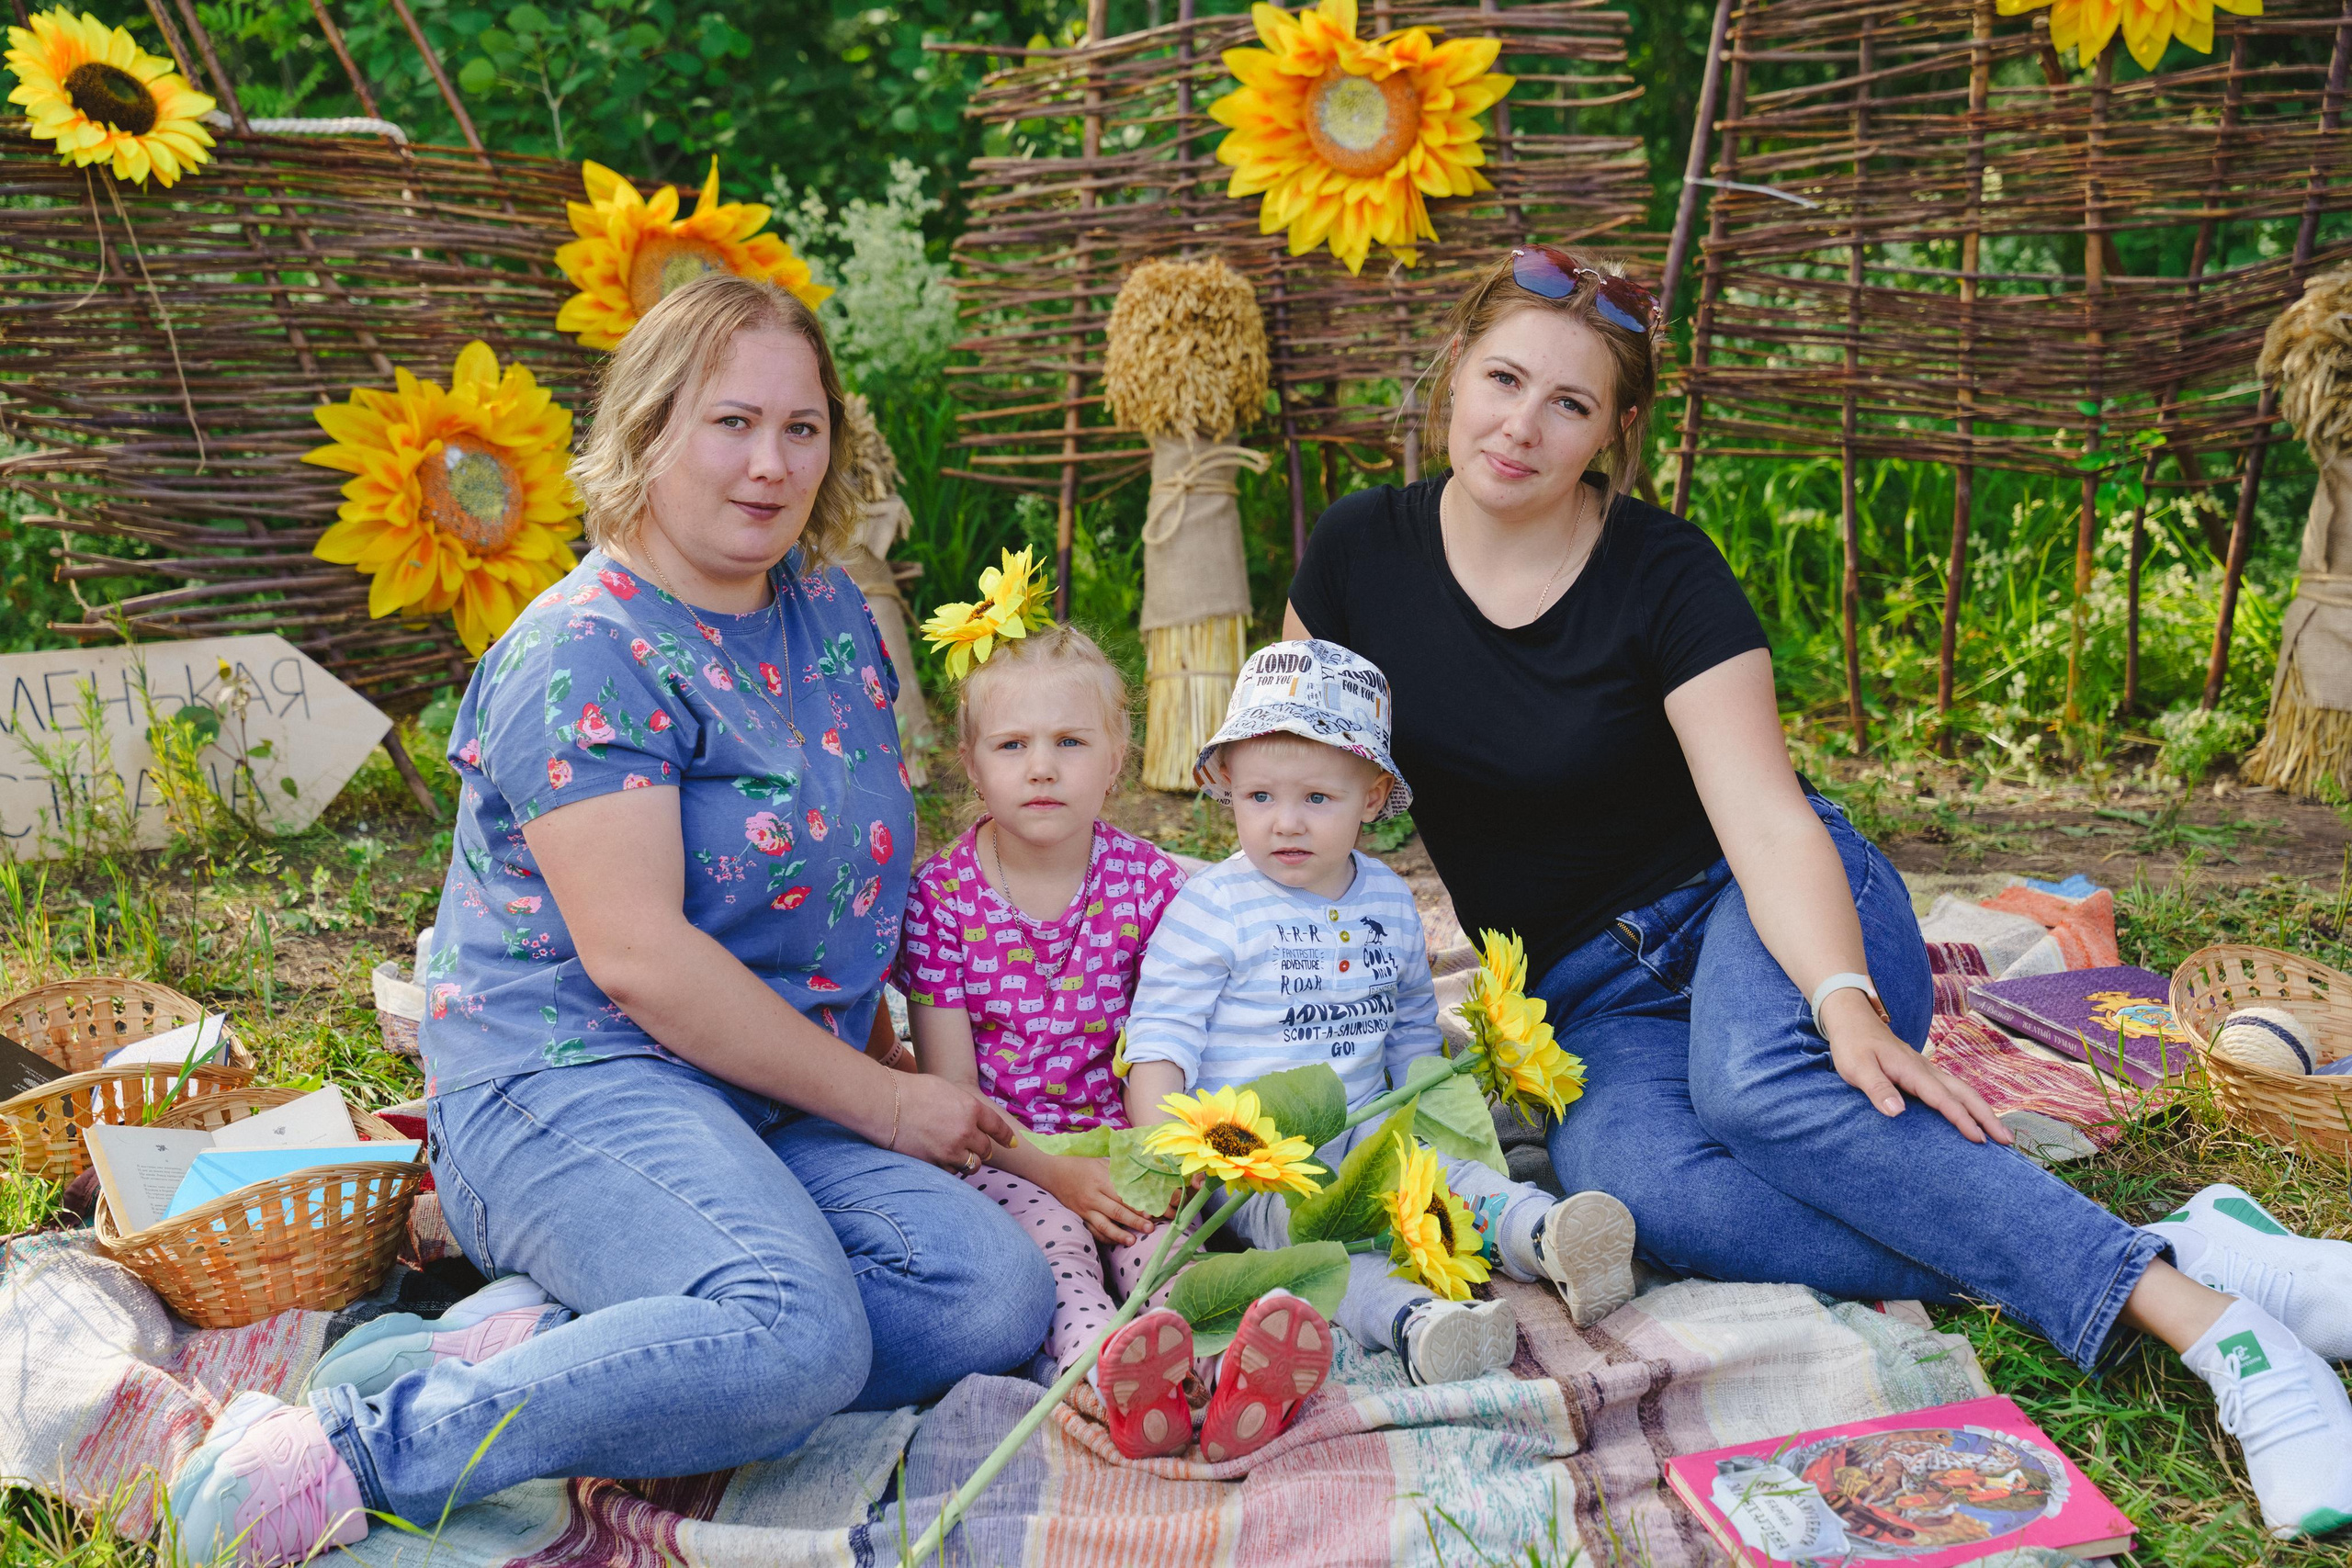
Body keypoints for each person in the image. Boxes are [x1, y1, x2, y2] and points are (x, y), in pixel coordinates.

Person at [1280, 243, 2352, 1540]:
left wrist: (1842, 998)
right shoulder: (1359, 554)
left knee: (1761, 1088)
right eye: (1503, 379)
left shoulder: (1663, 571)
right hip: (1585, 1002)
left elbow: (1767, 819)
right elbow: (1295, 776)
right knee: (1643, 1193)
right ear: (1454, 370)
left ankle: (2222, 1333)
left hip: (1762, 905)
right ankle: (2162, 1242)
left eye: (1568, 402)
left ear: (1615, 429)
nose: (1521, 424)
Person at [169, 273, 1052, 1567]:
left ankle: (567, 1338)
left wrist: (877, 1059)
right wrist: (887, 1104)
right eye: (731, 422)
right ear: (646, 428)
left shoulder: (830, 618)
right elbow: (640, 959)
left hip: (768, 1087)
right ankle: (367, 1444)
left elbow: (844, 880)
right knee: (797, 1331)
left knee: (988, 1295)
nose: (770, 463)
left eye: (801, 428)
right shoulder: (584, 649)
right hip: (565, 1082)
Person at [1106, 640, 1639, 1463]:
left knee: (1443, 1178)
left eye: (1317, 797)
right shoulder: (1211, 907)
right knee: (1319, 1248)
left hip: (1369, 1121)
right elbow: (1161, 1038)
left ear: (1373, 797)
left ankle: (1546, 1234)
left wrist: (1429, 1112)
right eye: (1259, 796)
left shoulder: (1387, 901)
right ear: (1229, 787)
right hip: (1254, 1157)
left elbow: (1411, 1027)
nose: (1285, 821)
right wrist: (1165, 1149)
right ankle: (1416, 1322)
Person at [894, 615, 1189, 1378]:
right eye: (1012, 745)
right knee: (1056, 1249)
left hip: (1124, 1140)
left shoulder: (1151, 886)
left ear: (1117, 758)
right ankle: (1102, 1370)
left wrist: (1160, 1155)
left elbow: (1171, 1039)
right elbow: (954, 1089)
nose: (1042, 768)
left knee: (1163, 1248)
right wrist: (1054, 1172)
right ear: (972, 763)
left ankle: (1206, 1364)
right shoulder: (941, 900)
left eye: (1070, 741)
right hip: (1005, 1153)